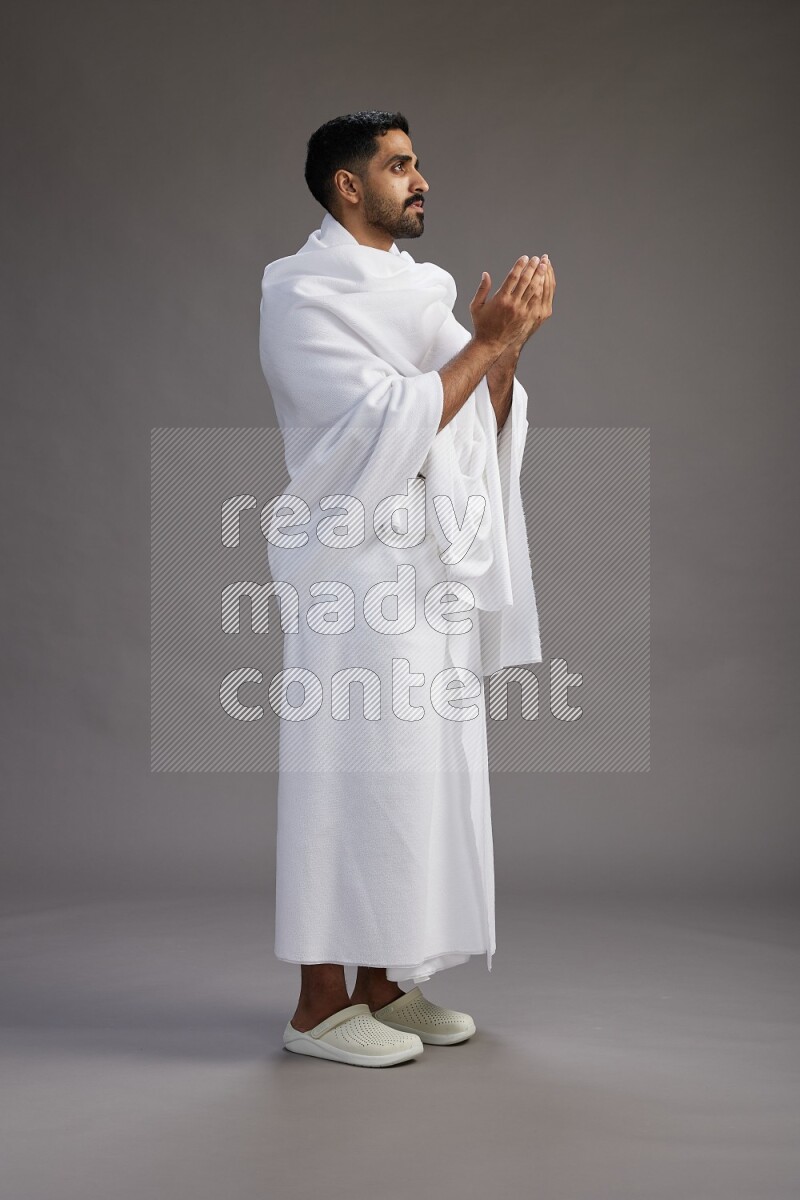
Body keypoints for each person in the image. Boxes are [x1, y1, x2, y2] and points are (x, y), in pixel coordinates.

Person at [259, 110, 555, 1067]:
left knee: (419, 775)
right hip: (351, 575)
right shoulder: (299, 293)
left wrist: (504, 348)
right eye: (398, 166)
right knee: (347, 773)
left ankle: (386, 986)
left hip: (428, 570)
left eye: (418, 162)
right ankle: (317, 1005)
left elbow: (471, 421)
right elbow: (380, 425)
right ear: (349, 186)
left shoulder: (421, 291)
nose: (419, 179)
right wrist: (483, 345)